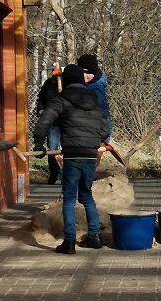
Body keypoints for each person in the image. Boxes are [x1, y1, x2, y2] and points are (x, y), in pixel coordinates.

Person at [33, 64, 110, 254]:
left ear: (66, 80)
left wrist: (39, 144)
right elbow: (104, 130)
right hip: (90, 154)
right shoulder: (94, 100)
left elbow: (45, 121)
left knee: (69, 198)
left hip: (73, 154)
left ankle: (69, 242)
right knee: (86, 195)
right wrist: (93, 138)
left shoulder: (62, 99)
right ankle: (94, 236)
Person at [35, 60, 65, 185]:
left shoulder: (67, 83)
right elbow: (41, 99)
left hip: (66, 122)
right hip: (52, 122)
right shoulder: (48, 84)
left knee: (66, 149)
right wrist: (41, 110)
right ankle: (53, 173)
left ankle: (65, 175)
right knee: (53, 148)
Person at [77, 53, 112, 142]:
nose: (84, 75)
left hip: (99, 127)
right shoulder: (88, 84)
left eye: (87, 73)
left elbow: (95, 109)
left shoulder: (96, 87)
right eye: (82, 73)